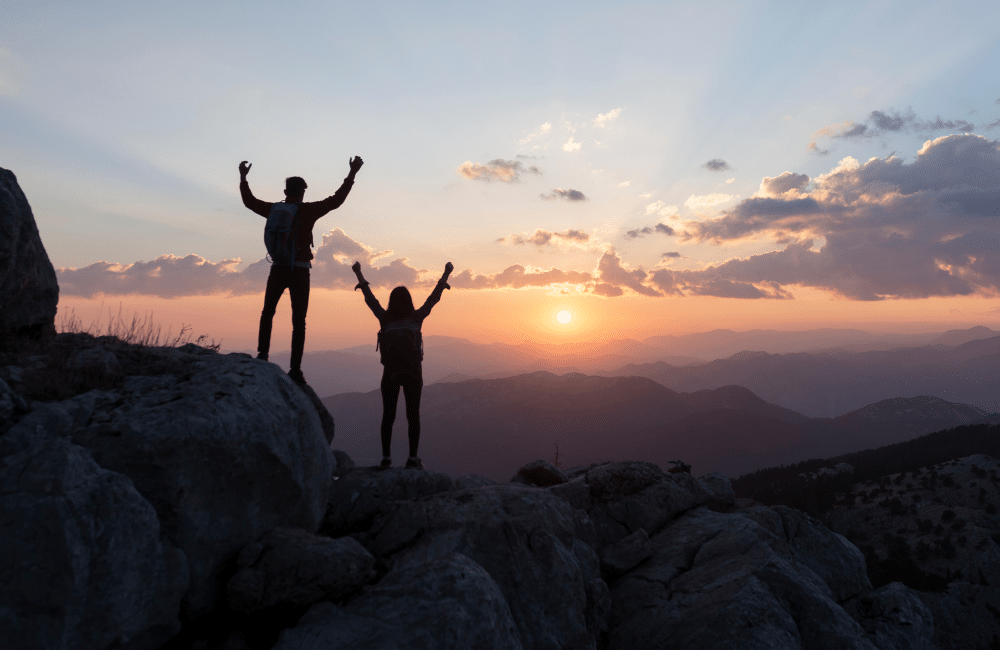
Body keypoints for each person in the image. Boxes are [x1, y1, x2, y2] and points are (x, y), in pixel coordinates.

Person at [239, 157, 363, 384]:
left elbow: (249, 202)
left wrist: (243, 177)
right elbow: (336, 200)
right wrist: (352, 173)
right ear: (303, 192)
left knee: (268, 312)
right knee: (299, 321)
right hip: (300, 271)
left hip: (277, 268)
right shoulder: (308, 211)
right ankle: (295, 369)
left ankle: (262, 355)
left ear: (285, 191)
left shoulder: (274, 209)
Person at [352, 260, 453, 469]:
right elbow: (433, 299)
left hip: (390, 374)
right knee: (412, 415)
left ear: (391, 301)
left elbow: (370, 300)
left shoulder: (385, 319)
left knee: (388, 415)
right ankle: (412, 458)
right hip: (414, 373)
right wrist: (445, 275)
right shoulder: (416, 318)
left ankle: (386, 458)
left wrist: (359, 275)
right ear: (409, 301)